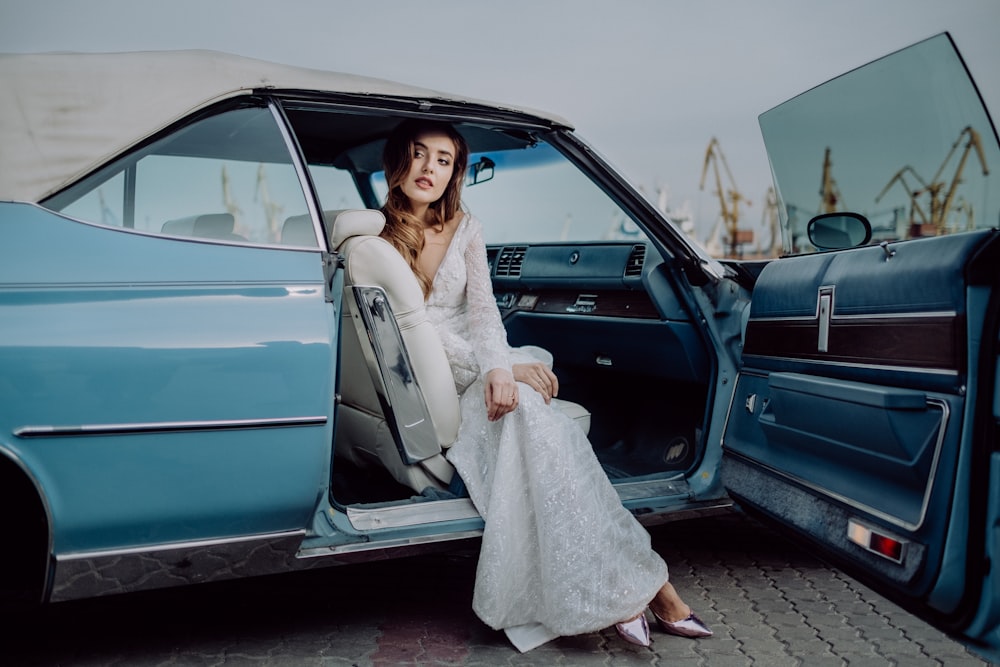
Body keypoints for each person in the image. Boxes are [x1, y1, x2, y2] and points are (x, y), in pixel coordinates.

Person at [378, 119, 712, 652]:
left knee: (538, 420)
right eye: (419, 155)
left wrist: (500, 367)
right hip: (434, 372)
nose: (429, 169)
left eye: (443, 160)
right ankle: (652, 587)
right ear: (398, 162)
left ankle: (638, 589)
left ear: (455, 173)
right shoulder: (377, 238)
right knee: (540, 418)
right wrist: (501, 371)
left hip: (481, 361)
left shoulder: (466, 226)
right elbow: (418, 330)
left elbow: (483, 314)